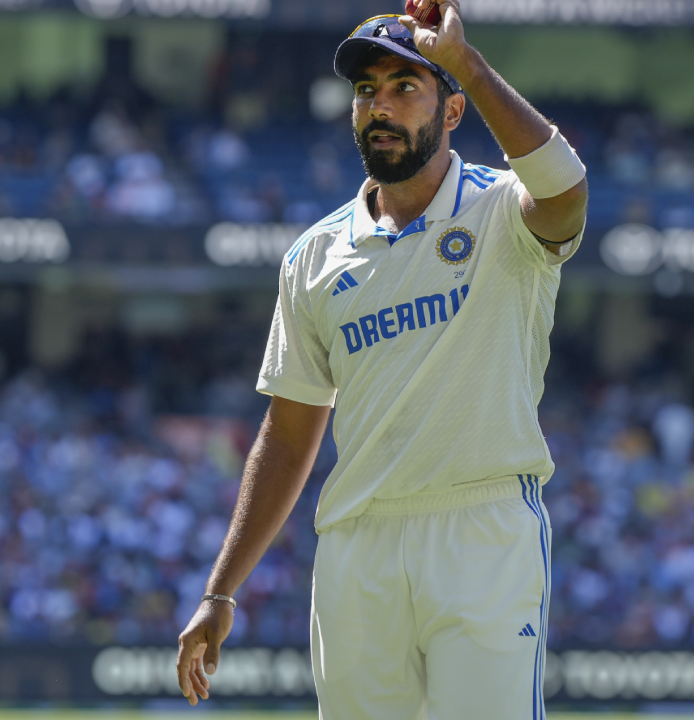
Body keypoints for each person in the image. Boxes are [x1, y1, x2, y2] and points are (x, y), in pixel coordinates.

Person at [173, 1, 588, 717]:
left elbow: (568, 189)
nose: (380, 107)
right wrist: (220, 588)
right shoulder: (313, 256)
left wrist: (468, 64)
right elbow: (290, 433)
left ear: (452, 111)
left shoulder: (502, 212)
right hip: (356, 546)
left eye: (405, 87)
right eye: (367, 91)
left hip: (482, 531)